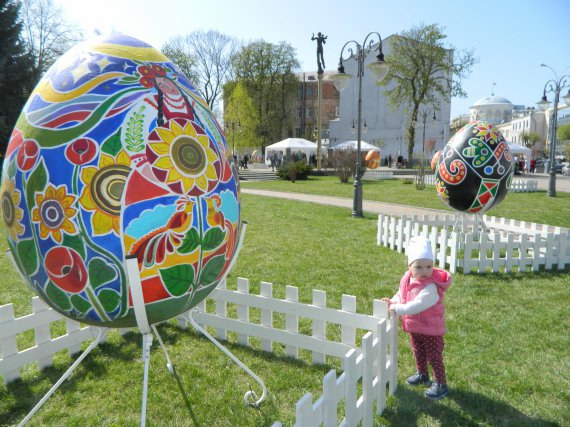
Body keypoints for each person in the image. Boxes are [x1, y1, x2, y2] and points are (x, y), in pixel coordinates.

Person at [382, 236, 452, 400]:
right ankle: (422, 374)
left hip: (431, 329)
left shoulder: (431, 287)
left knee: (434, 356)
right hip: (416, 326)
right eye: (419, 267)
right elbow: (402, 294)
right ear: (410, 266)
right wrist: (393, 301)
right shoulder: (407, 278)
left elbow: (417, 305)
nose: (424, 271)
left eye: (428, 266)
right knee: (418, 351)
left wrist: (397, 309)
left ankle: (440, 384)